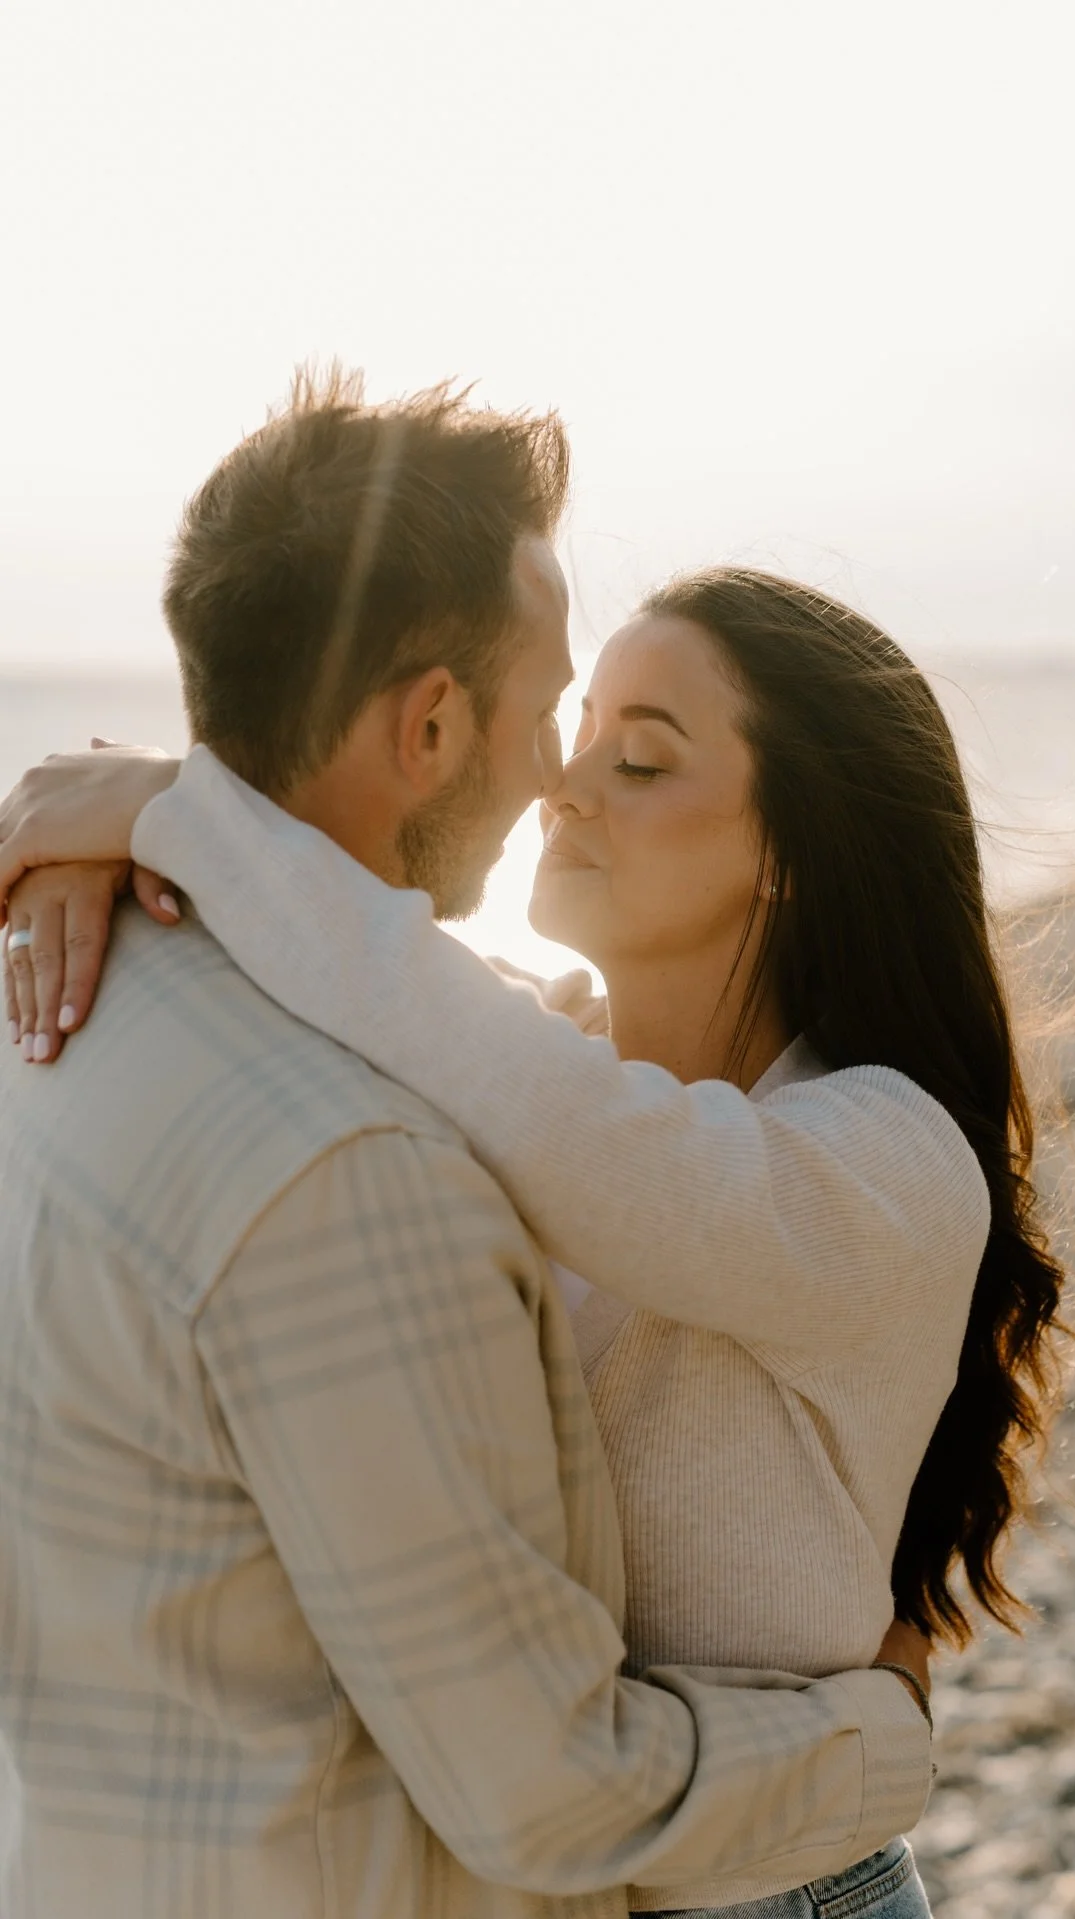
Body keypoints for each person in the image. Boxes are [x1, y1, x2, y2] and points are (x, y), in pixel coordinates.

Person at [0, 371, 941, 1919]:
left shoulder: (873, 1165)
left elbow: (536, 1093)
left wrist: (192, 816)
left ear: (792, 855)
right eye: (561, 719)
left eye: (636, 757)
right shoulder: (443, 1101)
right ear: (432, 721)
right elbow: (466, 1027)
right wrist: (175, 831)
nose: (558, 780)